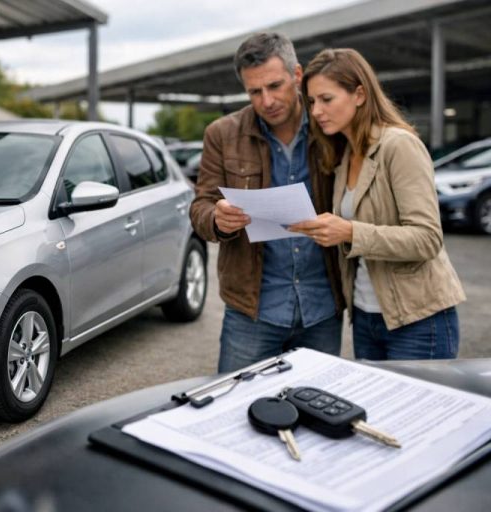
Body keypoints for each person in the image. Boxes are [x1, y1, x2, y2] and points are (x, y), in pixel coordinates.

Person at [289, 48, 465, 360]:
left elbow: (427, 239)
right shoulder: (344, 155)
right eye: (312, 102)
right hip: (366, 316)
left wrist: (349, 232)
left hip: (418, 319)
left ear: (359, 94)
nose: (316, 111)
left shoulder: (399, 145)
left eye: (326, 99)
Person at [190, 33, 344, 373]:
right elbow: (201, 205)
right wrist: (216, 219)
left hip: (322, 306)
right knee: (238, 410)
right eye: (254, 92)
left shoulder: (329, 127)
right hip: (253, 310)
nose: (267, 100)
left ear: (298, 75)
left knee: (319, 412)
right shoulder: (222, 134)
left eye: (275, 86)